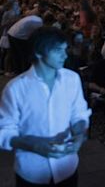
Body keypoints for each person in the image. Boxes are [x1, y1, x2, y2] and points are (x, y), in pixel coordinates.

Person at [0, 26, 91, 186]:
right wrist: (33, 145)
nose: (65, 55)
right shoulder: (16, 88)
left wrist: (78, 135)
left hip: (66, 167)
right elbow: (5, 131)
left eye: (65, 49)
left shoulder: (72, 79)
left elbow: (79, 114)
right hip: (31, 172)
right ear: (38, 52)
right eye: (58, 50)